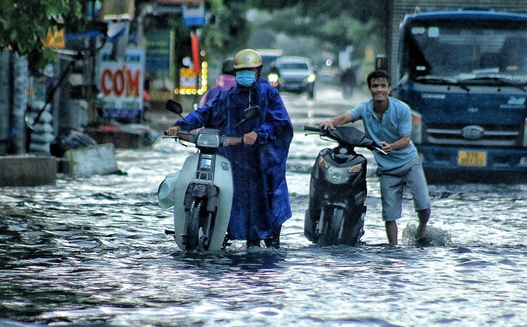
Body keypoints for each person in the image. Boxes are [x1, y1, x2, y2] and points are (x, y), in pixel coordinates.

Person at [165, 48, 294, 248]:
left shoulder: (268, 93)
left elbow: (280, 122)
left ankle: (266, 239)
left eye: (250, 70)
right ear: (234, 73)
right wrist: (181, 125)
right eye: (241, 71)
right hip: (234, 156)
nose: (245, 75)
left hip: (262, 158)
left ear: (258, 71)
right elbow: (206, 112)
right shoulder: (228, 96)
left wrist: (258, 134)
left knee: (266, 200)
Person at [320, 69, 431, 245]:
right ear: (370, 89)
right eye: (375, 86)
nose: (379, 90)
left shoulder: (401, 109)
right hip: (387, 170)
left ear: (389, 89)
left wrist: (391, 146)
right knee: (389, 215)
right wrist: (331, 123)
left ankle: (422, 228)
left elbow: (406, 139)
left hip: (409, 163)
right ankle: (393, 249)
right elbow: (345, 118)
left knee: (424, 205)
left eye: (383, 86)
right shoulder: (364, 108)